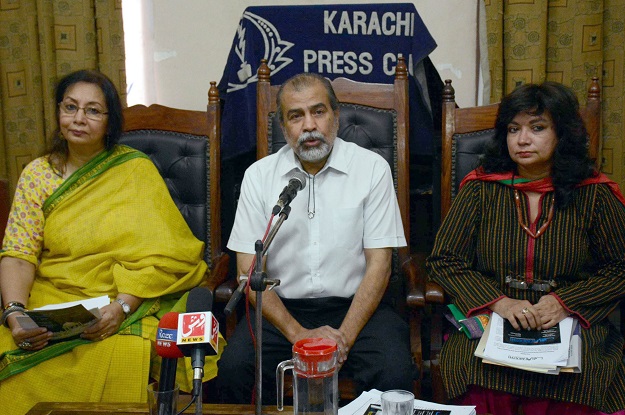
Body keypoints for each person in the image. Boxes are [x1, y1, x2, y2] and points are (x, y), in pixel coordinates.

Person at [0, 70, 221, 415]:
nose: (78, 119)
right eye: (70, 107)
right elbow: (18, 255)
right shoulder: (37, 175)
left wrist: (123, 306)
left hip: (116, 302)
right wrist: (15, 313)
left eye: (92, 111)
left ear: (110, 120)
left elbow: (167, 257)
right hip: (51, 303)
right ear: (58, 112)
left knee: (121, 353)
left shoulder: (136, 171)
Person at [426, 81, 625, 415]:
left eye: (537, 128)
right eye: (513, 129)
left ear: (562, 133)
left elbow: (620, 268)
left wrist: (564, 303)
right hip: (493, 317)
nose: (522, 140)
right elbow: (444, 261)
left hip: (572, 319)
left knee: (581, 377)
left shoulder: (594, 193)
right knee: (476, 374)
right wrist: (500, 303)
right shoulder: (481, 189)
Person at [217, 72, 414, 403]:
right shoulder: (259, 176)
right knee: (234, 370)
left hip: (356, 309)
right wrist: (300, 336)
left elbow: (380, 265)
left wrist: (343, 340)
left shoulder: (371, 169)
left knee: (394, 370)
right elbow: (247, 270)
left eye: (318, 112)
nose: (309, 126)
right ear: (283, 127)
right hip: (280, 313)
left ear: (335, 116)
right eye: (296, 116)